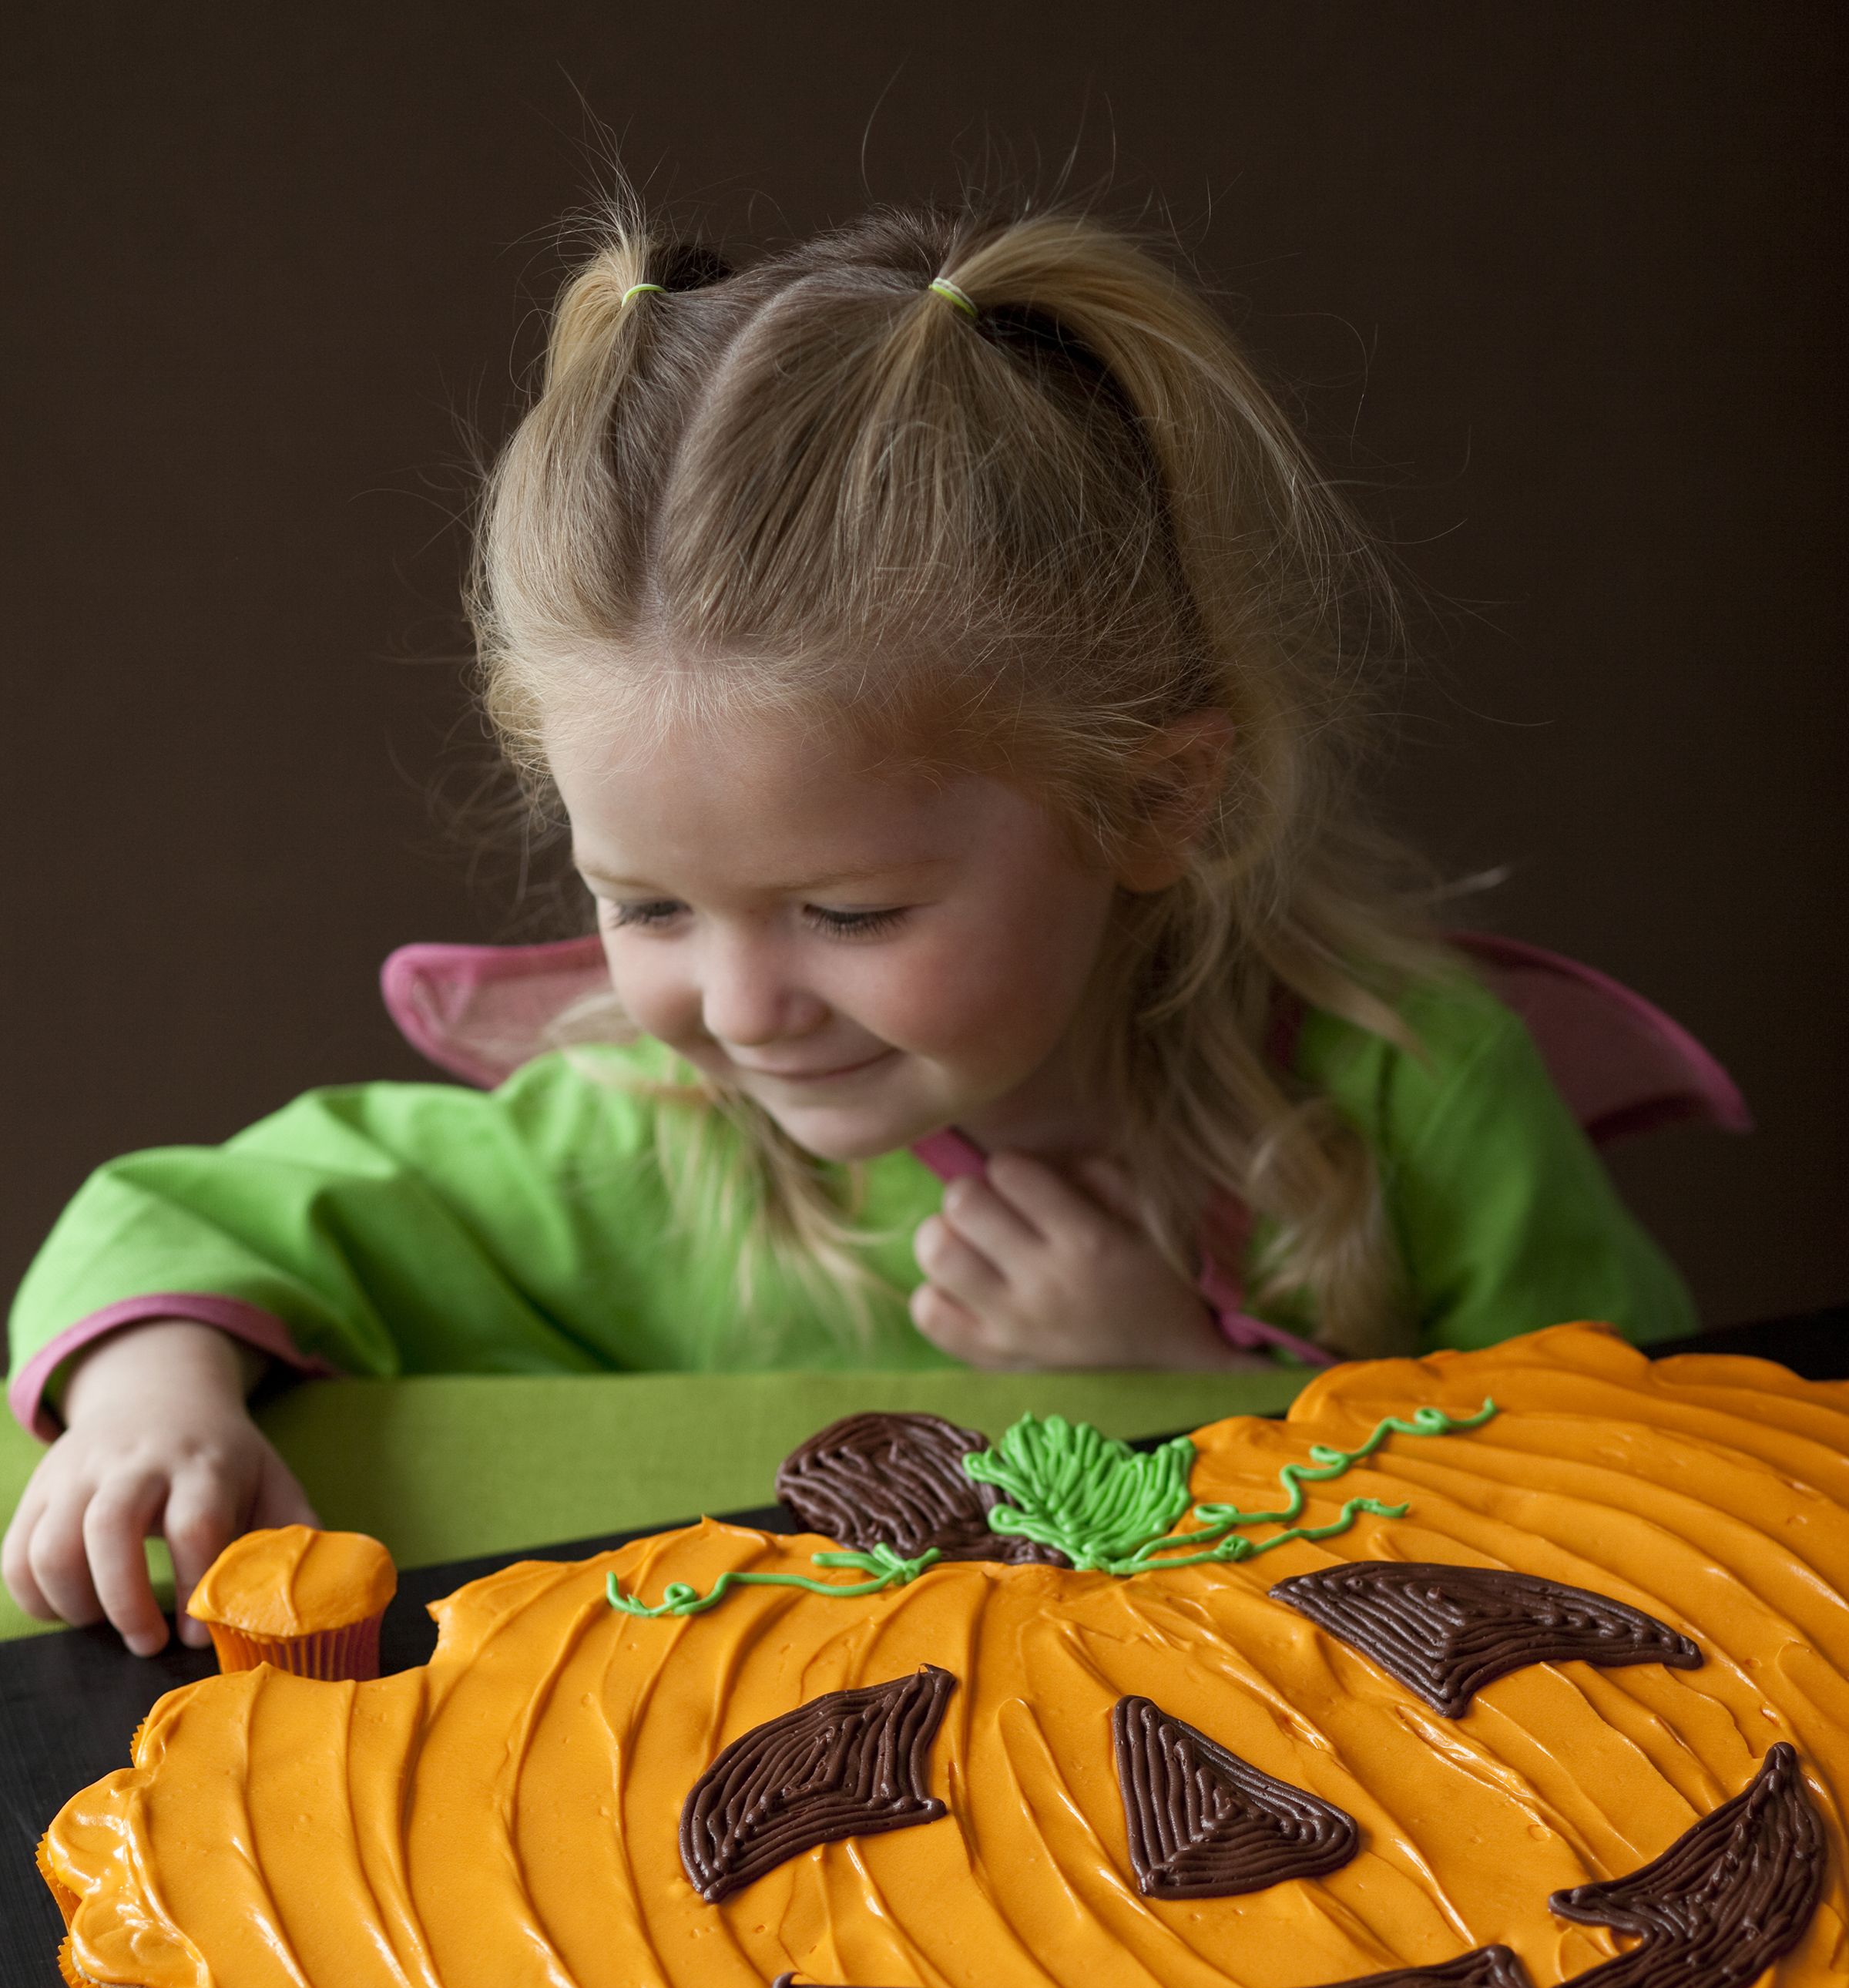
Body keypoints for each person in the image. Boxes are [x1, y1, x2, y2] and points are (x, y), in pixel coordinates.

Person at [2, 203, 1691, 1657]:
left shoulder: (1418, 1095)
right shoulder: (639, 1139)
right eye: (646, 904)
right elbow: (184, 1219)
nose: (742, 1008)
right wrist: (153, 1406)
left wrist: (1174, 1383)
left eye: (848, 911)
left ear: (1155, 803)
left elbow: (1639, 1491)